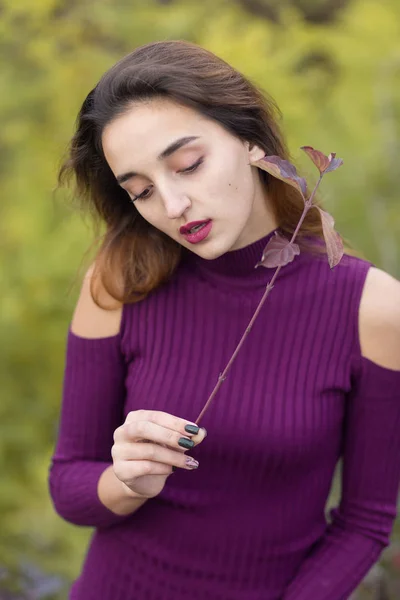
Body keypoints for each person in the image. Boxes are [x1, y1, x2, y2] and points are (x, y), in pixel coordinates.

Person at [49, 39, 400, 600]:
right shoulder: (117, 283)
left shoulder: (374, 308)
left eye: (188, 165)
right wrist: (126, 482)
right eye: (139, 191)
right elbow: (69, 487)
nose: (172, 204)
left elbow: (364, 523)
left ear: (250, 140)